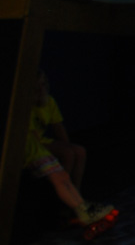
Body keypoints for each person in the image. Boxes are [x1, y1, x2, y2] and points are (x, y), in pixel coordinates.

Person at [25, 71, 114, 227]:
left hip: (39, 150)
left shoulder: (49, 102)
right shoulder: (25, 108)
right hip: (33, 150)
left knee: (64, 175)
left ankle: (82, 207)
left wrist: (68, 145)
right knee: (59, 177)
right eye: (36, 86)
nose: (41, 89)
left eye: (43, 85)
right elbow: (33, 140)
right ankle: (77, 208)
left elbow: (59, 128)